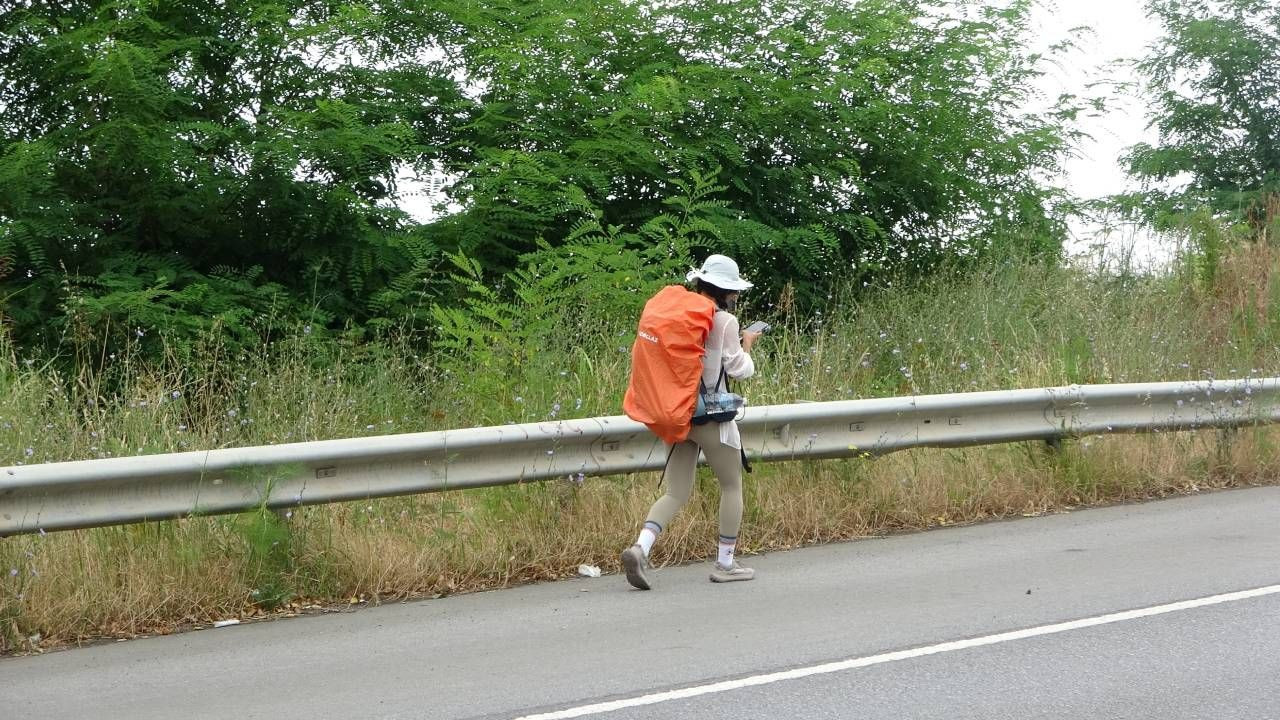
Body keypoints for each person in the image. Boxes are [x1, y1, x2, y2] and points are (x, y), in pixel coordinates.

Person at [620, 254, 763, 590]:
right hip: (712, 418)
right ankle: (726, 564)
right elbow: (741, 370)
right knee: (730, 486)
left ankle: (640, 548)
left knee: (676, 491)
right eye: (735, 292)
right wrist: (747, 344)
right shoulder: (724, 321)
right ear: (727, 291)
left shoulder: (679, 314)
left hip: (679, 412)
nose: (736, 297)